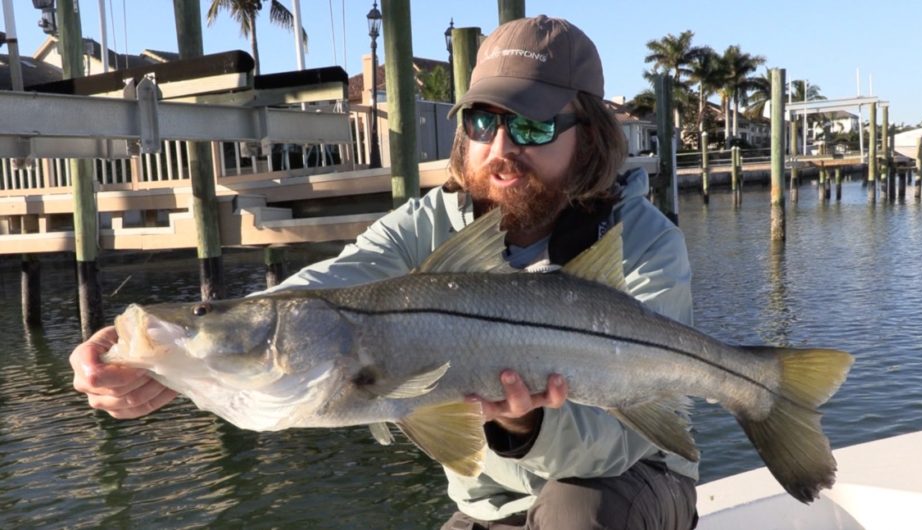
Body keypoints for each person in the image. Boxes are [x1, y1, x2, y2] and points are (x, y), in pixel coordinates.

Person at [70, 15, 699, 530]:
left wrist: (526, 425)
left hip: (636, 478)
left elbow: (627, 442)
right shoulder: (424, 224)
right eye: (483, 121)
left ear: (587, 138)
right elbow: (324, 294)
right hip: (493, 504)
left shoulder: (643, 242)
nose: (502, 149)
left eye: (532, 125)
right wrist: (163, 361)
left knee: (575, 512)